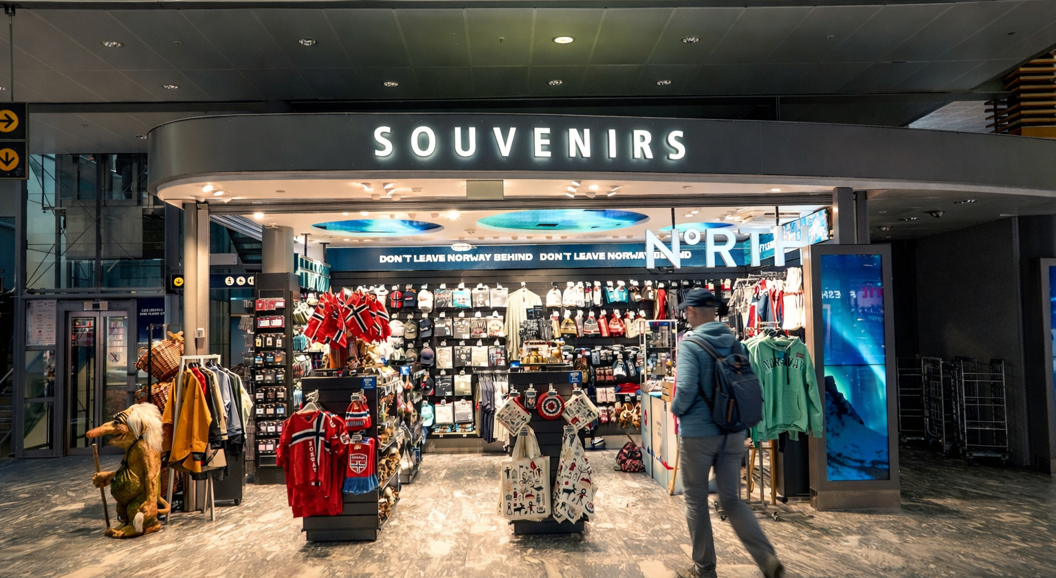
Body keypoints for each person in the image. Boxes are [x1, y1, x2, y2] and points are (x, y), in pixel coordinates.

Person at [671, 288, 785, 578]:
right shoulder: (734, 342)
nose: (686, 313)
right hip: (733, 432)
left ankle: (704, 569)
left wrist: (676, 408)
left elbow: (684, 389)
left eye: (687, 310)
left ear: (694, 311)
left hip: (698, 435)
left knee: (695, 501)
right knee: (732, 500)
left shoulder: (690, 344)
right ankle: (767, 559)